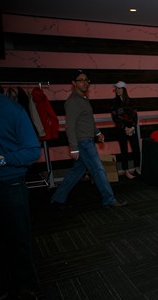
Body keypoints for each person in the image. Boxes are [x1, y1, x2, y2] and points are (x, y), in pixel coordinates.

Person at [51, 70, 128, 209]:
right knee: (99, 171)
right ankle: (109, 200)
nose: (85, 82)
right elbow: (70, 126)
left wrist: (97, 132)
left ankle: (57, 197)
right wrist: (73, 147)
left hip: (86, 140)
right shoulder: (73, 102)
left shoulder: (83, 100)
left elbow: (87, 121)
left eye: (87, 80)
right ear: (74, 83)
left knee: (77, 171)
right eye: (81, 80)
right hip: (83, 143)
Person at [0, 87, 41, 300]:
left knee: (17, 238)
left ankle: (26, 285)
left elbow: (33, 150)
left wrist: (1, 160)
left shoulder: (12, 110)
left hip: (9, 184)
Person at [111, 81, 141, 179]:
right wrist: (125, 128)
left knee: (136, 148)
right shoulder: (114, 102)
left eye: (119, 89)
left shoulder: (132, 101)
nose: (117, 90)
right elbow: (115, 117)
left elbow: (135, 115)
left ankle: (137, 167)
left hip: (132, 128)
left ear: (124, 90)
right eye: (116, 89)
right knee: (124, 150)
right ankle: (126, 170)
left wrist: (132, 127)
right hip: (121, 129)